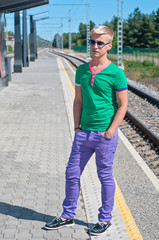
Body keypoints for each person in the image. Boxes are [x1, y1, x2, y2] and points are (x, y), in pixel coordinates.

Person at [45, 25, 128, 236]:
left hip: (104, 135)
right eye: (92, 41)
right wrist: (76, 127)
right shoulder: (82, 70)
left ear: (109, 46)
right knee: (72, 173)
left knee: (105, 176)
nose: (95, 46)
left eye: (100, 43)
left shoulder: (116, 73)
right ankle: (67, 216)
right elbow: (78, 100)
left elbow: (123, 106)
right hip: (83, 133)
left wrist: (110, 131)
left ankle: (105, 219)